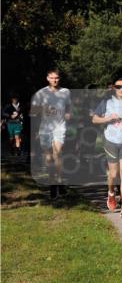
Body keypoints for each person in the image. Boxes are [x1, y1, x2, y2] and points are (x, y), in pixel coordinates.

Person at [91, 75, 122, 217]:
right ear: (113, 88)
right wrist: (108, 118)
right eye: (118, 87)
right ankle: (111, 192)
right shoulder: (107, 102)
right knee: (113, 173)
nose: (121, 89)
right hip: (111, 140)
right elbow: (94, 119)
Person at [31, 69, 72, 199]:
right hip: (45, 128)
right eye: (52, 78)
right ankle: (52, 183)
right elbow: (33, 112)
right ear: (47, 78)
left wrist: (68, 113)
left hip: (60, 126)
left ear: (59, 78)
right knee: (48, 157)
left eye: (57, 78)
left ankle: (59, 181)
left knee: (58, 153)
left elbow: (69, 106)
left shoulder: (65, 92)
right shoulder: (41, 93)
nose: (55, 80)